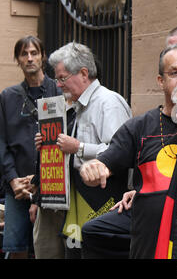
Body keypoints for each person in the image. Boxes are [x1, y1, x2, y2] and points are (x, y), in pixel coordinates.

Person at [81, 25, 177, 259]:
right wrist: (90, 168)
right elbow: (104, 163)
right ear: (160, 81)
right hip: (152, 243)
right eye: (174, 73)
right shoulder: (140, 126)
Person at [34, 42, 132, 258]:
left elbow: (121, 154)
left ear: (84, 73)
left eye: (62, 78)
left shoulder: (109, 102)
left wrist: (78, 147)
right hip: (79, 200)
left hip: (103, 199)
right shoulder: (76, 105)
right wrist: (48, 144)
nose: (58, 85)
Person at [0, 36, 61, 259]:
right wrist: (12, 179)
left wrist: (42, 178)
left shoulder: (58, 91)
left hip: (52, 185)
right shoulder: (8, 97)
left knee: (51, 248)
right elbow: (2, 142)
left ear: (43, 56)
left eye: (34, 53)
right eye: (24, 54)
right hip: (17, 186)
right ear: (17, 59)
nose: (29, 58)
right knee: (16, 249)